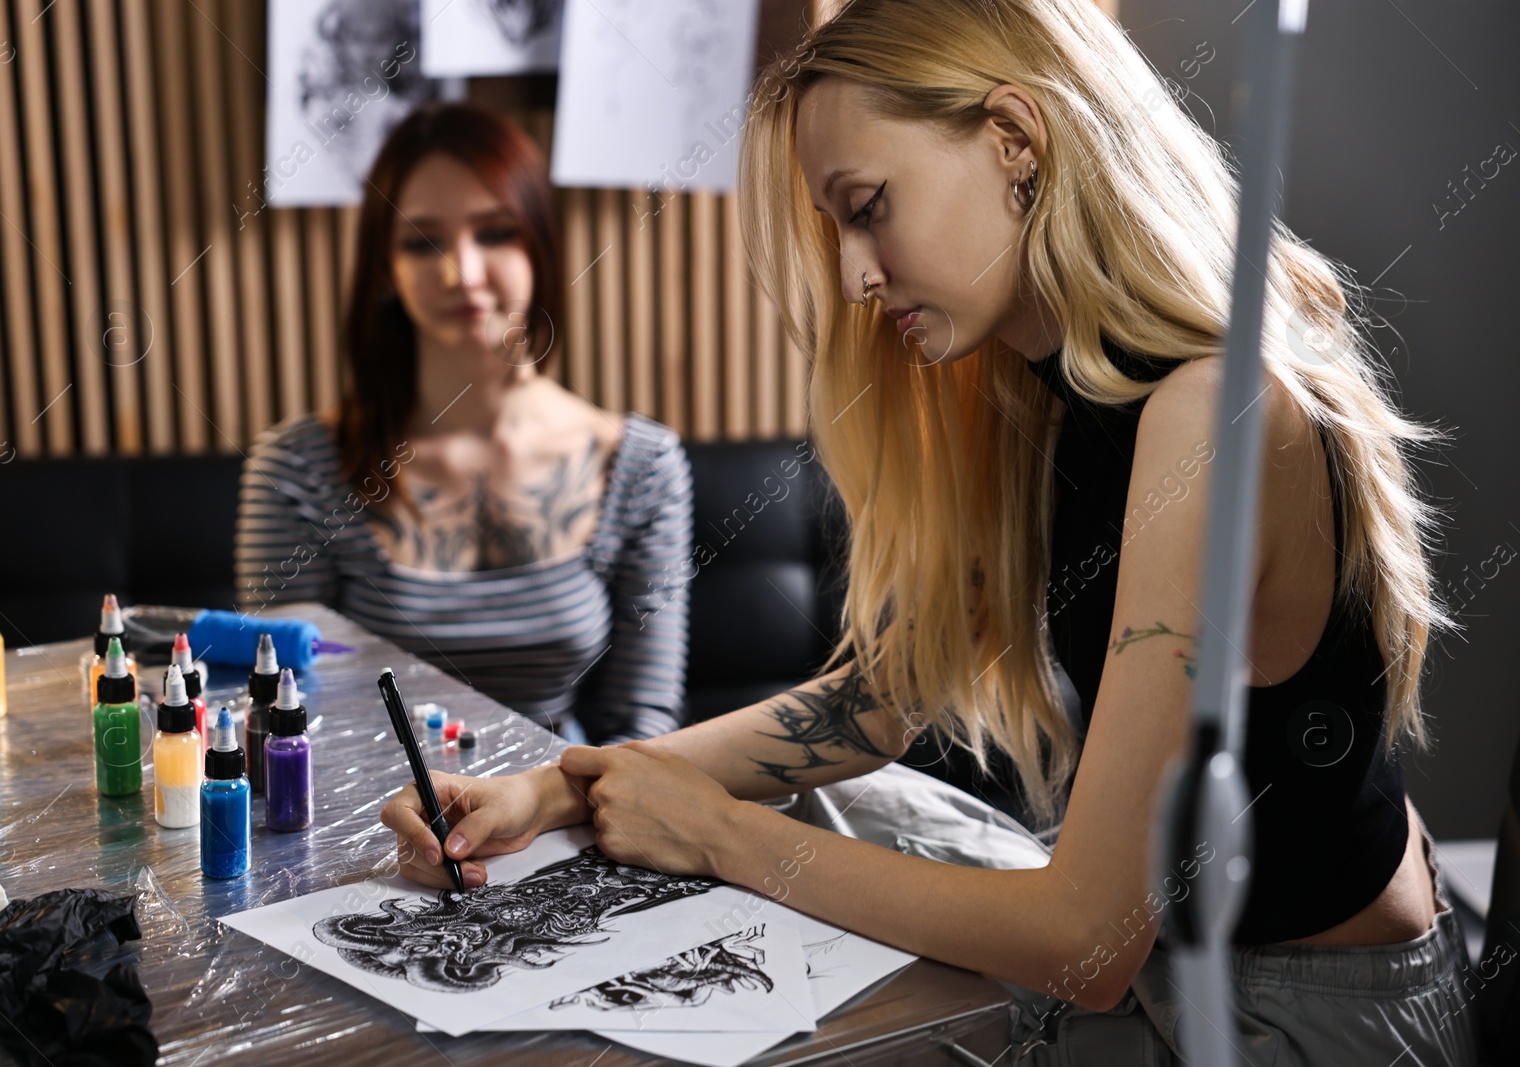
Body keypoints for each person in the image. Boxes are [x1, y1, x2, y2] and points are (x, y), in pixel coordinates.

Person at [381, 1, 1478, 1062]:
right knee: (823, 800)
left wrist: (718, 833)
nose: (857, 275)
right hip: (1180, 968)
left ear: (1012, 138)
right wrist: (557, 788)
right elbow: (875, 702)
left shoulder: (1210, 407)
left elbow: (1082, 941)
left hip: (1289, 1017)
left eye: (867, 207)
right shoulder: (1037, 388)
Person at [235, 102, 693, 746]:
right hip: (374, 823)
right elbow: (285, 720)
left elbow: (640, 727)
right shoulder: (297, 469)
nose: (462, 273)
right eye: (421, 242)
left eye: (496, 232)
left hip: (571, 810)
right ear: (386, 270)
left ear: (540, 243)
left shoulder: (640, 464)